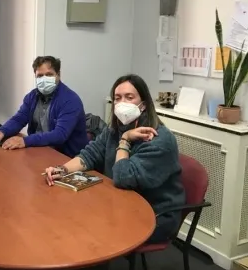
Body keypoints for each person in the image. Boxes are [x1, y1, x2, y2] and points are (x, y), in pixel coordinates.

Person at [43, 74, 185, 243]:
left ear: (144, 104)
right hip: (119, 202)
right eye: (117, 98)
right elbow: (90, 154)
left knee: (87, 230)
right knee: (70, 216)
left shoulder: (159, 139)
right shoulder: (115, 129)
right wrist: (62, 170)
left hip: (154, 215)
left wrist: (125, 140)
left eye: (129, 97)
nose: (122, 103)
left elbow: (123, 178)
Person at [0, 56, 88, 158]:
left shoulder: (70, 100)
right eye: (40, 76)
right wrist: (2, 131)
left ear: (58, 75)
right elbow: (19, 119)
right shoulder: (32, 96)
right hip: (40, 151)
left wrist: (25, 141)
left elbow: (60, 135)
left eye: (49, 74)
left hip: (67, 157)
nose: (44, 79)